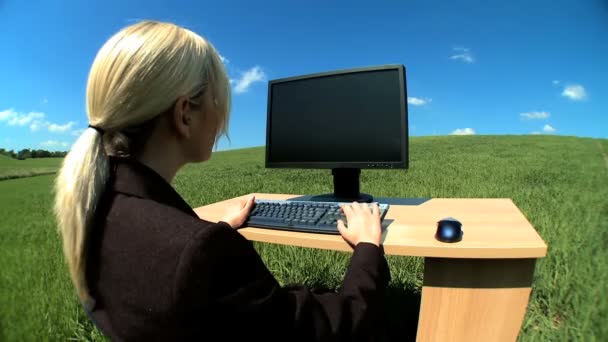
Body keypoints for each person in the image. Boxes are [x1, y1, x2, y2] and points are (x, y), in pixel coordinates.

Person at [54, 20, 391, 341]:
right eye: (218, 100)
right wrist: (367, 248)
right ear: (185, 113)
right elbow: (338, 330)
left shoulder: (94, 206)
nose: (223, 116)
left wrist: (213, 230)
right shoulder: (199, 252)